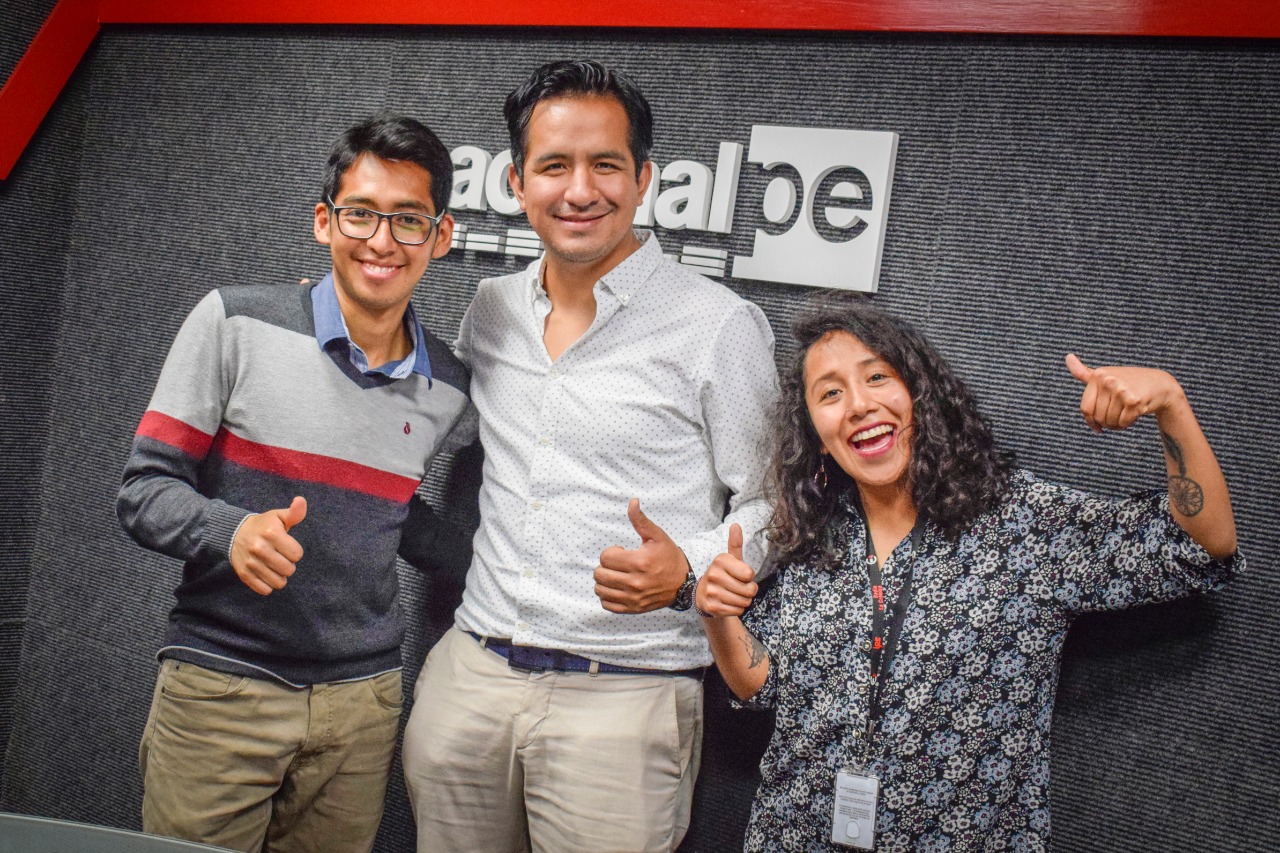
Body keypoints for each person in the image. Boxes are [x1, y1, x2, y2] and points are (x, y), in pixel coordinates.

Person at [697, 296, 1241, 852]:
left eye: (877, 377)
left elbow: (1200, 545)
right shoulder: (813, 529)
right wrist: (717, 616)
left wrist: (1170, 403)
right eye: (830, 393)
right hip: (796, 834)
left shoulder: (1020, 522)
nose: (858, 404)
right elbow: (765, 685)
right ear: (816, 432)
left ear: (920, 393)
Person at [401, 59, 779, 853]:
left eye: (605, 164)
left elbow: (773, 503)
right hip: (471, 680)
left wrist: (689, 568)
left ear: (643, 180)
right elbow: (427, 427)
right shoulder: (492, 307)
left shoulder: (717, 325)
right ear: (516, 182)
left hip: (625, 699)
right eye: (554, 165)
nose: (580, 190)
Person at [117, 115, 472, 853]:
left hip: (362, 707)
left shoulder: (448, 382)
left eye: (408, 219)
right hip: (222, 687)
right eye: (361, 213)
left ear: (440, 235)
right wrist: (231, 531)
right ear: (324, 221)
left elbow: (385, 506)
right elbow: (144, 490)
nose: (382, 240)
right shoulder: (233, 322)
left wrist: (490, 559)